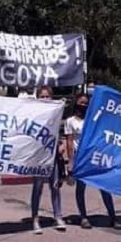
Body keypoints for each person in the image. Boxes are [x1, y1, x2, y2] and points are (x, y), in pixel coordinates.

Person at [65, 93, 121, 230]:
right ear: (76, 103)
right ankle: (83, 217)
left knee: (104, 187)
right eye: (81, 102)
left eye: (86, 103)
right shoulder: (70, 121)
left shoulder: (94, 119)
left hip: (95, 156)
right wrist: (71, 161)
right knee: (81, 188)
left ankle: (113, 217)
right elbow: (70, 142)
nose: (83, 105)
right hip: (81, 158)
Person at [30, 86, 67, 234]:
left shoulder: (55, 114)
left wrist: (61, 145)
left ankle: (58, 216)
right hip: (39, 156)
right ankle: (35, 218)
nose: (45, 99)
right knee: (38, 187)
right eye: (42, 96)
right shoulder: (33, 114)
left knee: (55, 186)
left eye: (47, 96)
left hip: (53, 156)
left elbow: (59, 133)